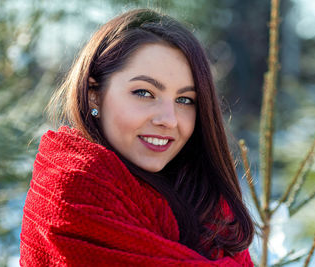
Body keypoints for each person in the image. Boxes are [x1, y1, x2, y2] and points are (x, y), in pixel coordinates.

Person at [20, 8, 255, 266]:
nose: (169, 119)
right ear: (93, 94)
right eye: (144, 93)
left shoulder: (209, 204)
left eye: (185, 99)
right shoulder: (73, 193)